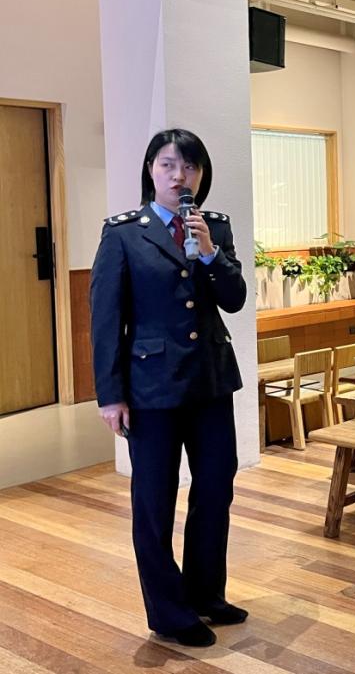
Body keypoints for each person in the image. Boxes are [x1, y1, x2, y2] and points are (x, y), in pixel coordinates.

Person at [90, 129, 246, 648]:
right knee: (154, 501)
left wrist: (211, 254)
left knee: (215, 489)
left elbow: (234, 299)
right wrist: (110, 394)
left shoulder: (214, 226)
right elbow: (105, 320)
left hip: (210, 381)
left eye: (190, 167)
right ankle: (169, 612)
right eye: (168, 165)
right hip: (150, 389)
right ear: (151, 170)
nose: (181, 176)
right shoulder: (123, 233)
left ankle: (205, 594)